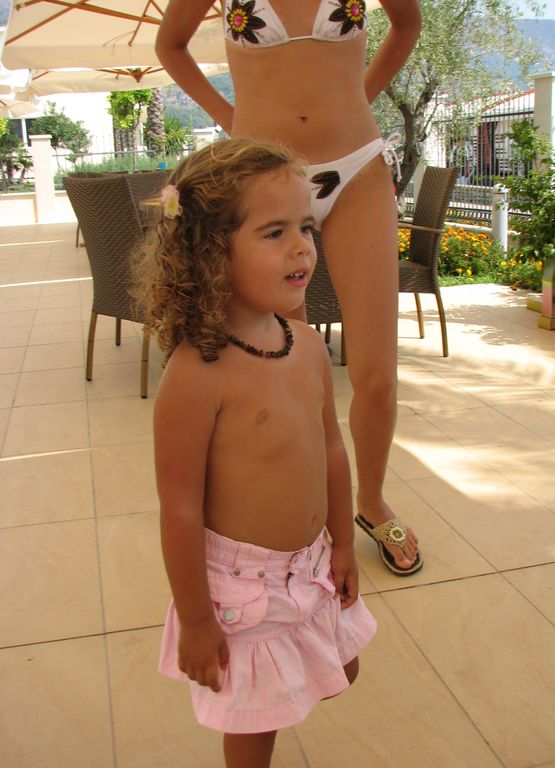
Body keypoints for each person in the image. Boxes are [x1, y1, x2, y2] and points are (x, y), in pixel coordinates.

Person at [156, 0, 423, 575]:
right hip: (264, 183)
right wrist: (230, 117)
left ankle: (372, 502)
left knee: (377, 374)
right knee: (285, 377)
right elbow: (169, 45)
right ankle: (307, 510)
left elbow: (408, 24)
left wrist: (359, 97)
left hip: (357, 168)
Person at [139, 138, 377, 768]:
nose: (302, 247)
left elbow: (330, 447)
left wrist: (342, 542)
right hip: (243, 589)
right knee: (258, 720)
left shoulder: (305, 344)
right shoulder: (197, 374)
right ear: (212, 253)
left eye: (306, 227)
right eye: (275, 232)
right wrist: (196, 620)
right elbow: (180, 508)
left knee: (342, 669)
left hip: (312, 563)